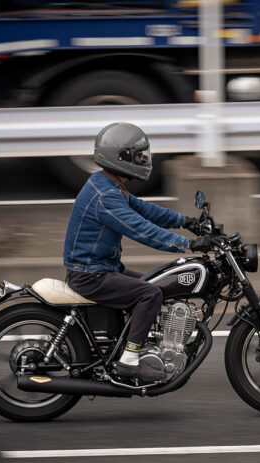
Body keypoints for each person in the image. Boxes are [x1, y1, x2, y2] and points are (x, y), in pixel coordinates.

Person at [63, 122, 212, 383]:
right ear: (121, 158)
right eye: (139, 155)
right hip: (91, 275)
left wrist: (187, 221)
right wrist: (187, 244)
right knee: (150, 294)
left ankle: (136, 346)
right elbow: (142, 229)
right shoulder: (105, 197)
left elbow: (144, 210)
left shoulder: (107, 185)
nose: (144, 159)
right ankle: (129, 362)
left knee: (156, 285)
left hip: (101, 269)